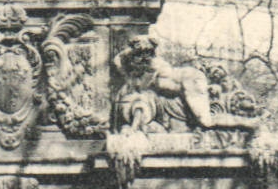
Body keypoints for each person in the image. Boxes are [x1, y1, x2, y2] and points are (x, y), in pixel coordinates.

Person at [112, 34, 261, 132]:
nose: (141, 57)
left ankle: (248, 123)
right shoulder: (141, 68)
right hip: (185, 82)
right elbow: (118, 62)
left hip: (191, 81)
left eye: (145, 53)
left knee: (206, 121)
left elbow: (138, 83)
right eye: (138, 54)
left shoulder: (154, 66)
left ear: (149, 53)